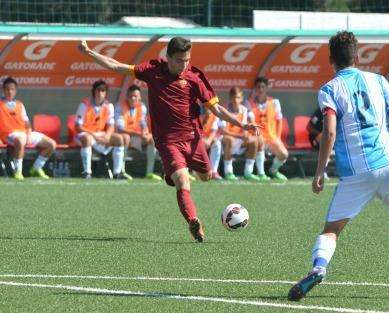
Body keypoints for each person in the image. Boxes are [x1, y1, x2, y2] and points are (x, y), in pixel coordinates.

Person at [287, 31, 389, 301]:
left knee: (332, 229)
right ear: (357, 56)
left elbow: (330, 132)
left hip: (356, 172)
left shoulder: (329, 89)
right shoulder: (378, 80)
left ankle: (319, 268)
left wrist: (319, 172)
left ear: (331, 60)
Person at [78, 37, 259, 242]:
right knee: (182, 179)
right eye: (180, 60)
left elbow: (215, 108)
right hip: (167, 141)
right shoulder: (153, 70)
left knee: (206, 176)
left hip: (193, 138)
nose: (184, 65)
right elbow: (118, 67)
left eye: (187, 60)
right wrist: (89, 53)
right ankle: (193, 221)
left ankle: (172, 172)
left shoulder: (194, 77)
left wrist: (241, 124)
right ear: (168, 58)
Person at [0, 77, 56, 180]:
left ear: (15, 91)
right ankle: (18, 171)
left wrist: (29, 133)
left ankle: (36, 168)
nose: (9, 91)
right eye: (7, 89)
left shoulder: (20, 104)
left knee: (51, 144)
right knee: (21, 140)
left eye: (12, 89)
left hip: (24, 133)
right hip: (8, 134)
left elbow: (27, 122)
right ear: (3, 90)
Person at [75, 80, 126, 179]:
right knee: (87, 138)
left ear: (106, 93)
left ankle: (117, 173)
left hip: (101, 134)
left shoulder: (109, 106)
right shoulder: (84, 104)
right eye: (98, 90)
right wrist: (94, 136)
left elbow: (111, 125)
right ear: (93, 91)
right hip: (85, 134)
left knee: (119, 139)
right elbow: (78, 127)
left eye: (103, 91)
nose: (100, 93)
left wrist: (107, 136)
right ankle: (87, 172)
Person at [116, 85, 162, 181]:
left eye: (136, 96)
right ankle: (122, 171)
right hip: (122, 138)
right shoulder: (119, 106)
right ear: (127, 97)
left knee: (152, 138)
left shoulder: (142, 107)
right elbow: (120, 129)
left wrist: (145, 131)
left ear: (139, 97)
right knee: (125, 137)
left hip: (136, 138)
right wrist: (139, 134)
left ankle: (149, 172)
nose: (133, 98)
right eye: (131, 96)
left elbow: (143, 123)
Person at [248, 77, 288, 181]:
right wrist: (258, 135)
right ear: (255, 89)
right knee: (258, 142)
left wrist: (278, 138)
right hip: (257, 137)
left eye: (263, 87)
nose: (260, 89)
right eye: (258, 87)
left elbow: (279, 120)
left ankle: (273, 171)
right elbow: (251, 121)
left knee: (284, 154)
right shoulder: (249, 103)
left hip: (271, 137)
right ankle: (261, 174)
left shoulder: (274, 102)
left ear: (266, 88)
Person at [221, 87, 259, 181]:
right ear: (230, 97)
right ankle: (228, 172)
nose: (235, 100)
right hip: (226, 140)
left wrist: (245, 136)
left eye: (238, 97)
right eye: (233, 97)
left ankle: (248, 172)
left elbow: (244, 127)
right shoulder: (224, 109)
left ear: (242, 99)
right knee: (229, 139)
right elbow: (223, 131)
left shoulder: (244, 110)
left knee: (254, 141)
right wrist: (240, 136)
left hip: (239, 140)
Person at [201, 108, 222, 180]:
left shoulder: (214, 114)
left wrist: (209, 141)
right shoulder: (194, 112)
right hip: (195, 138)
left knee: (217, 143)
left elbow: (214, 130)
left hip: (206, 139)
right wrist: (201, 140)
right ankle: (189, 171)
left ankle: (214, 172)